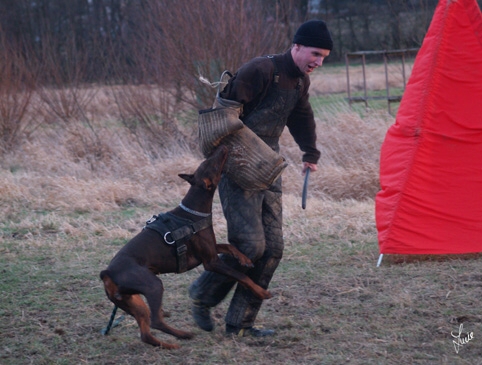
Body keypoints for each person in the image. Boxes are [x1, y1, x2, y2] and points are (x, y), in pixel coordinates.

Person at [189, 19, 333, 337]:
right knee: (250, 245)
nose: (318, 62)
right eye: (315, 54)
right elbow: (222, 115)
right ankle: (202, 296)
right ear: (296, 46)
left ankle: (241, 323)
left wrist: (310, 154)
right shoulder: (260, 70)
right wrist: (231, 156)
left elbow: (301, 116)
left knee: (274, 248)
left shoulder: (299, 83)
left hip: (269, 164)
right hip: (236, 161)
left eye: (324, 57)